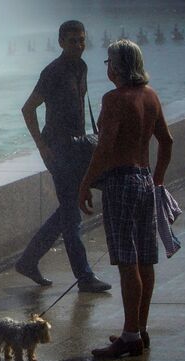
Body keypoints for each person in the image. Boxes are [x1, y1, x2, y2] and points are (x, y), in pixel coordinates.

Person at [78, 40, 173, 358]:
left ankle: (129, 335)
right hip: (145, 179)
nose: (106, 67)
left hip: (120, 182)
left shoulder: (114, 99)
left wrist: (85, 183)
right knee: (146, 258)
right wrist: (157, 177)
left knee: (127, 261)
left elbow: (104, 148)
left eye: (108, 62)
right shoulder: (151, 96)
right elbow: (167, 141)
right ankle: (139, 329)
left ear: (116, 67)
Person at [15, 20, 112, 292]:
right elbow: (28, 109)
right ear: (60, 42)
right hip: (58, 150)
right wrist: (42, 147)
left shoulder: (81, 67)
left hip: (79, 149)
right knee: (71, 215)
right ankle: (84, 277)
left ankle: (28, 260)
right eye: (73, 41)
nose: (79, 45)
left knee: (68, 210)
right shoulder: (53, 72)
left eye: (82, 40)